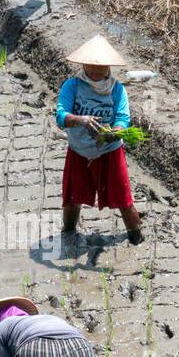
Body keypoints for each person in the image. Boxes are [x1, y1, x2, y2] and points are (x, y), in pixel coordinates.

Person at [56, 35, 144, 246]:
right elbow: (61, 116)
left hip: (109, 150)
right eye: (91, 66)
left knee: (123, 198)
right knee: (72, 196)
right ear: (83, 64)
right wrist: (81, 120)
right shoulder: (72, 86)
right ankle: (68, 234)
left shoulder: (117, 89)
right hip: (79, 149)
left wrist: (114, 132)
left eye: (101, 66)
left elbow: (123, 118)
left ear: (109, 67)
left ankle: (136, 237)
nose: (96, 71)